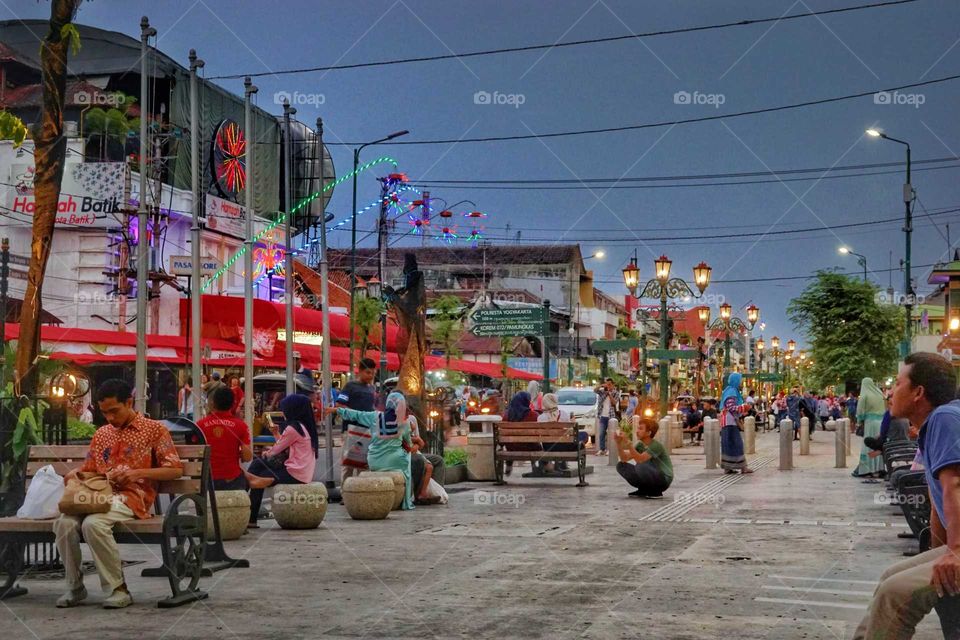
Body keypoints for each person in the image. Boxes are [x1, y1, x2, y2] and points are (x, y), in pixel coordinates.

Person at [855, 352, 960, 639]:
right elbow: (938, 499)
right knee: (890, 577)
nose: (890, 392)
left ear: (918, 393)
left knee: (894, 593)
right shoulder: (937, 422)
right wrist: (936, 552)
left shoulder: (944, 419)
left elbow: (955, 485)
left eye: (898, 383)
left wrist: (954, 551)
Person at [53, 379, 183, 609]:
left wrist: (137, 473)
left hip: (133, 497)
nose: (109, 418)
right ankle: (75, 587)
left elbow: (175, 469)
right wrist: (75, 474)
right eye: (104, 413)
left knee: (93, 524)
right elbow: (90, 470)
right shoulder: (102, 433)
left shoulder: (154, 430)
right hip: (98, 494)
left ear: (129, 402)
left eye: (114, 411)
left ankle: (118, 589)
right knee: (64, 523)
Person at [331, 392, 415, 510]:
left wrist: (337, 410)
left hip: (374, 461)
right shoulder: (404, 423)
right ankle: (407, 499)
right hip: (395, 461)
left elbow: (357, 414)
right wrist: (412, 432)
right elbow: (409, 445)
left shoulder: (375, 416)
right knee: (408, 456)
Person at [246, 393, 317, 527]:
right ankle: (250, 515)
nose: (283, 413)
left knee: (258, 474)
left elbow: (276, 450)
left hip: (294, 472)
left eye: (284, 409)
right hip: (301, 471)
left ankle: (249, 512)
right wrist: (275, 433)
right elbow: (284, 444)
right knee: (257, 467)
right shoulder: (303, 427)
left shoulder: (293, 428)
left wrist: (267, 453)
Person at [196, 387, 253, 490]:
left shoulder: (200, 425)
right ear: (233, 404)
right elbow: (247, 457)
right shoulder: (241, 426)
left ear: (213, 403)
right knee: (243, 476)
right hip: (231, 480)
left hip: (206, 480)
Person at [337, 358, 378, 483]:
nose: (370, 376)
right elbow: (340, 405)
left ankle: (361, 490)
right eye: (368, 372)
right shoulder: (350, 386)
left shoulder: (372, 389)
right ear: (359, 371)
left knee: (364, 464)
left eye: (373, 373)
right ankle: (345, 491)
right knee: (348, 463)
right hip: (350, 430)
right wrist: (356, 415)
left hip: (367, 431)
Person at [613, 417, 673, 498]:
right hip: (650, 472)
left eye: (641, 429)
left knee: (641, 465)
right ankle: (644, 489)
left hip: (663, 480)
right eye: (638, 428)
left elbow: (640, 460)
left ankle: (656, 492)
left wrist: (628, 443)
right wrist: (618, 443)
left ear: (648, 433)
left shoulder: (656, 445)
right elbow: (624, 458)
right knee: (621, 465)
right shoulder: (640, 445)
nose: (637, 431)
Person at [720, 372, 753, 474]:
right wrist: (743, 408)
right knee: (737, 444)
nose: (741, 382)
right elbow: (731, 407)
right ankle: (742, 467)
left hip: (728, 422)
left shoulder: (729, 391)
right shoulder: (731, 392)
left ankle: (728, 467)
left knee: (729, 444)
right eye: (740, 380)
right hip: (729, 422)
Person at [853, 377, 886, 479]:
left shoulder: (865, 395)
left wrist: (859, 421)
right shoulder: (880, 393)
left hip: (870, 423)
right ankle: (879, 468)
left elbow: (860, 411)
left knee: (868, 445)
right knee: (878, 445)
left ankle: (866, 470)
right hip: (881, 422)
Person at [501, 391, 540, 476]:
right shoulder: (533, 415)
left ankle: (509, 466)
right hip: (530, 447)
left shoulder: (506, 416)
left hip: (511, 447)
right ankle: (537, 467)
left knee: (511, 444)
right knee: (537, 445)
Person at [537, 392, 573, 473]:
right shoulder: (563, 414)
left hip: (547, 447)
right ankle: (561, 463)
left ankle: (553, 464)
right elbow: (569, 430)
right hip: (563, 446)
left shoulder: (540, 417)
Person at [594, 378, 619, 456]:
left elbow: (614, 403)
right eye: (607, 384)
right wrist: (601, 385)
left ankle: (609, 450)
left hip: (611, 416)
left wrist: (609, 394)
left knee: (610, 434)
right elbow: (595, 390)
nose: (608, 386)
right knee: (601, 434)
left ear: (613, 385)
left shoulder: (615, 393)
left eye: (609, 384)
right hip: (602, 415)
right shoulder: (602, 392)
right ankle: (602, 449)